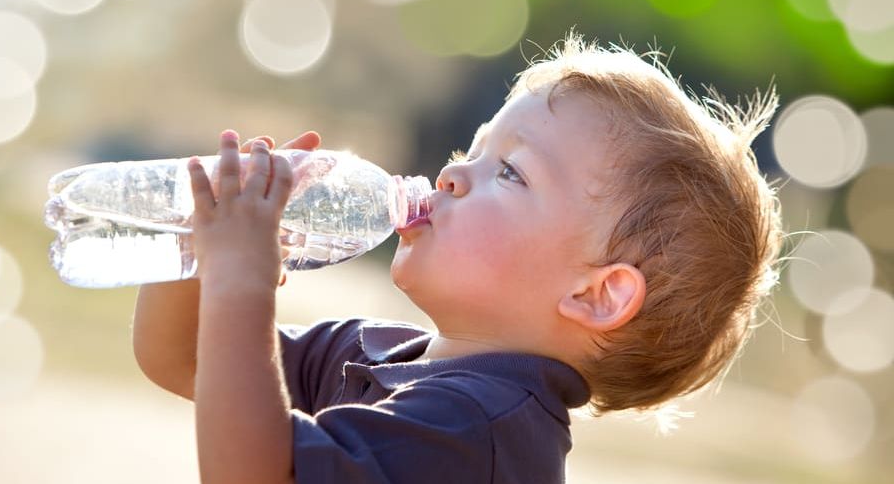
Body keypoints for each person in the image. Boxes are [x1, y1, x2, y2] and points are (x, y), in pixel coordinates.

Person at [131, 32, 784, 483]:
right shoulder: (378, 352)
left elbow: (249, 472)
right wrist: (198, 242)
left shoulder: (478, 430)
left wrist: (242, 281)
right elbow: (183, 355)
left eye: (510, 173)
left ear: (595, 294)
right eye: (472, 149)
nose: (450, 176)